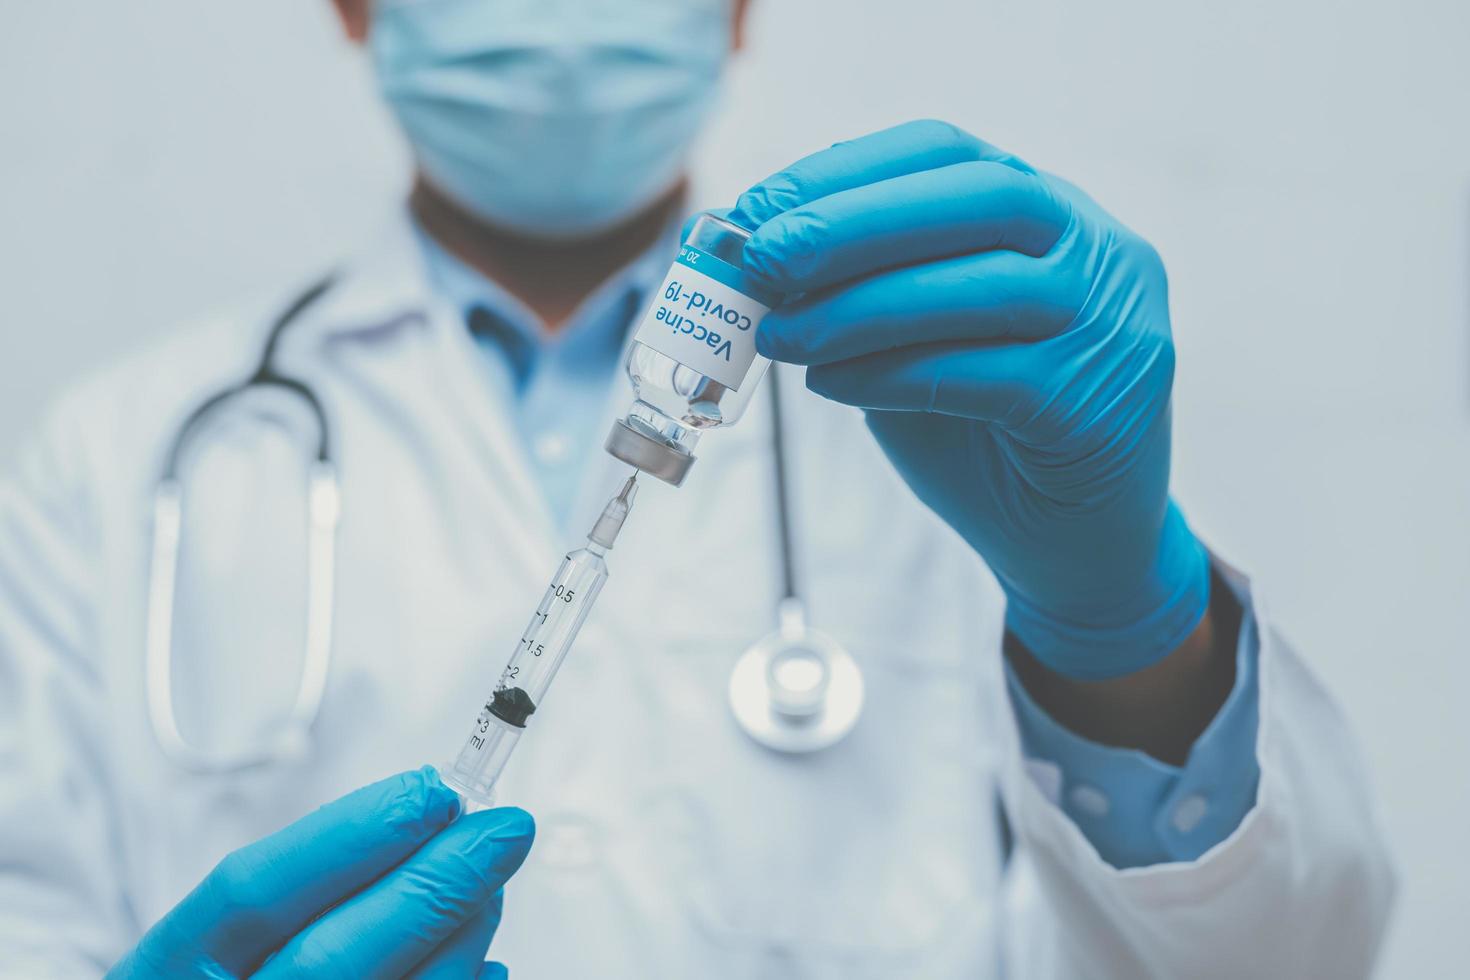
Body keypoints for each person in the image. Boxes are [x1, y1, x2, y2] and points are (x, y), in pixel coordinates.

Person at [0, 0, 1395, 977]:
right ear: (354, 6)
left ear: (734, 8)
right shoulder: (122, 454)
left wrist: (1123, 636)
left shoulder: (966, 405)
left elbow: (1288, 957)